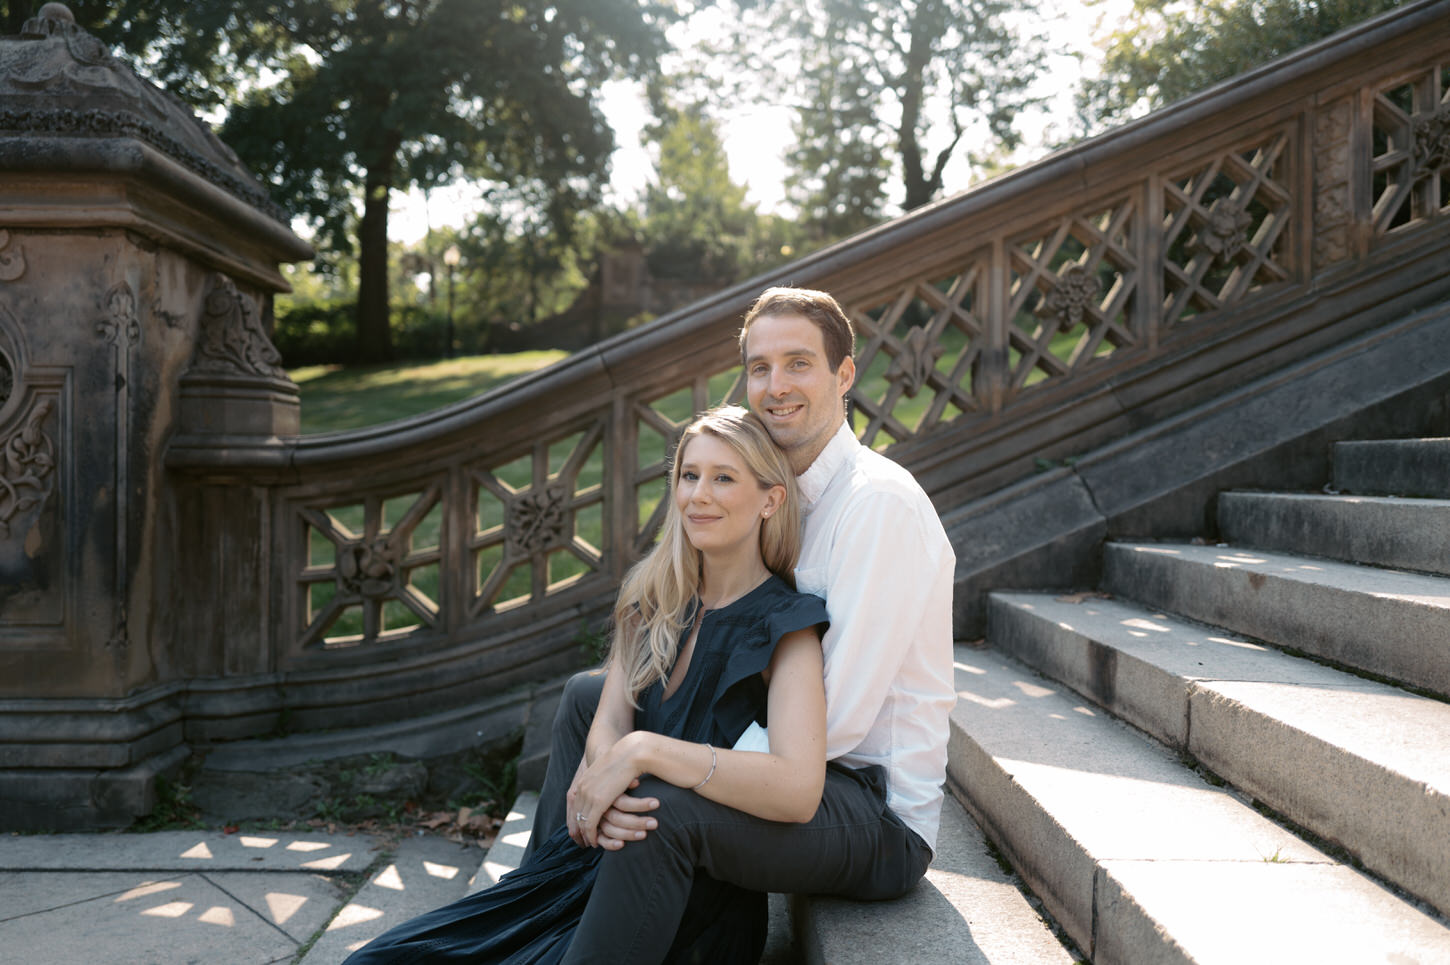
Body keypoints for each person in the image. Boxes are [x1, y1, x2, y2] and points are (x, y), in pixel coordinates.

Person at [528, 286, 957, 961]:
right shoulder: (777, 488)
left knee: (659, 803)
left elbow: (834, 721)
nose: (774, 385)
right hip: (798, 768)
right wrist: (622, 745)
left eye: (798, 364)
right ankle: (547, 901)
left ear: (844, 376)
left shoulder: (878, 507)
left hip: (868, 807)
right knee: (592, 698)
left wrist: (653, 754)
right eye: (760, 367)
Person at [344, 405, 831, 964]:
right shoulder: (653, 597)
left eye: (724, 478)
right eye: (689, 475)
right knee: (379, 960)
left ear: (770, 500)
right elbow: (607, 724)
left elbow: (797, 787)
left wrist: (641, 755)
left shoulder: (788, 625)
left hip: (685, 901)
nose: (699, 495)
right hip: (589, 863)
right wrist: (613, 781)